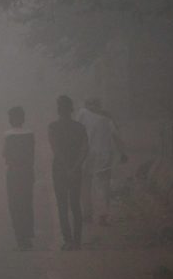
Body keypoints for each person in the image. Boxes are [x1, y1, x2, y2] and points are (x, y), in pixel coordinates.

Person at [77, 97, 127, 225]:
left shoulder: (82, 114)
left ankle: (87, 214)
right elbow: (117, 137)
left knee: (85, 185)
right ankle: (102, 215)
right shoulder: (107, 119)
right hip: (103, 156)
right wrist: (123, 153)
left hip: (86, 155)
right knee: (102, 186)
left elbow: (75, 133)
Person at [49, 95, 89, 250]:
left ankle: (68, 240)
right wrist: (75, 167)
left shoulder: (52, 127)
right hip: (75, 170)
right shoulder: (80, 128)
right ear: (71, 110)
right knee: (75, 204)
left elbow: (56, 150)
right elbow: (85, 148)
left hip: (60, 170)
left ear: (58, 110)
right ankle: (77, 240)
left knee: (62, 205)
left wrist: (66, 167)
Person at [3, 106, 35, 250]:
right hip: (27, 172)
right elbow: (31, 154)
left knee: (15, 205)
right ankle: (28, 234)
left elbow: (5, 155)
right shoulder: (30, 134)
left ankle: (20, 237)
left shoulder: (8, 135)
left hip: (14, 173)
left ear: (11, 119)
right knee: (27, 203)